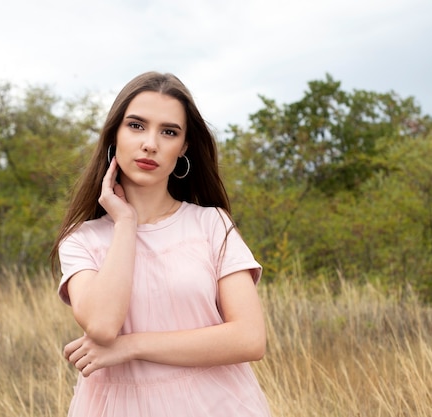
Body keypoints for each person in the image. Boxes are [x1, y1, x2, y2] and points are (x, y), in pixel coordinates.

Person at [50, 71, 272, 417]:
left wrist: (133, 346)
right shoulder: (82, 239)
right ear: (114, 135)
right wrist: (125, 223)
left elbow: (250, 338)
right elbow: (102, 325)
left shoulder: (212, 224)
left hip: (216, 405)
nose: (150, 143)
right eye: (136, 126)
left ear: (183, 147)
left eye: (169, 132)